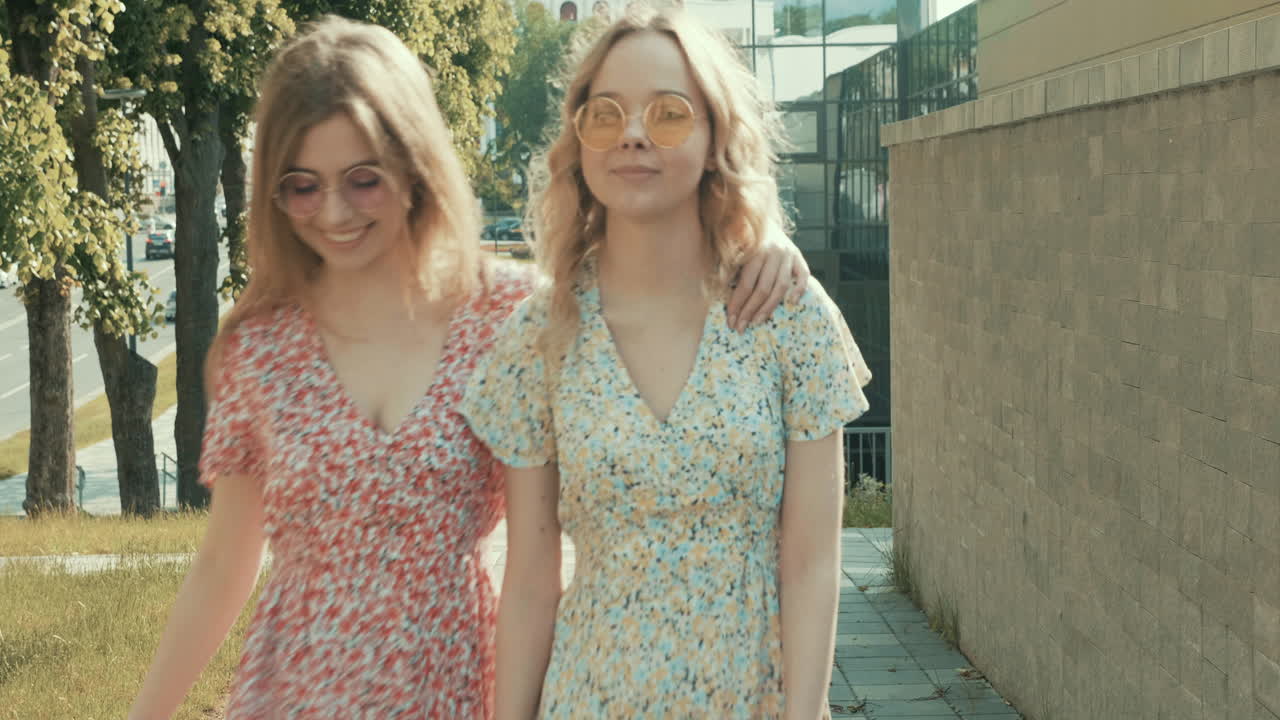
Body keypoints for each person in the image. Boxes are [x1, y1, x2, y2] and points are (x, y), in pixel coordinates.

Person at [128, 14, 809, 720]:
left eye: (363, 180)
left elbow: (650, 278)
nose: (333, 211)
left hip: (455, 686)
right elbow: (222, 566)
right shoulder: (260, 348)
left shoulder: (510, 320)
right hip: (292, 695)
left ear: (414, 165)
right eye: (302, 186)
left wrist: (767, 240)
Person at [460, 6, 872, 719]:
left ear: (716, 138)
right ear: (580, 140)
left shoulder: (790, 317)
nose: (635, 134)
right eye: (607, 113)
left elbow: (811, 561)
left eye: (670, 113)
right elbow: (529, 580)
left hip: (753, 702)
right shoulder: (539, 334)